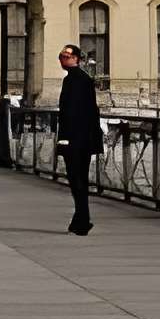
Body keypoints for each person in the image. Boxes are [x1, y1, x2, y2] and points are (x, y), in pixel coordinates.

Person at [58, 45, 102, 236]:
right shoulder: (79, 79)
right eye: (61, 56)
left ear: (76, 58)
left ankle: (82, 220)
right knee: (78, 180)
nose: (62, 60)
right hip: (82, 138)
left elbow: (73, 113)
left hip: (77, 139)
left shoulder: (76, 80)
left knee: (77, 179)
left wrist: (66, 138)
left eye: (66, 56)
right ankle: (80, 219)